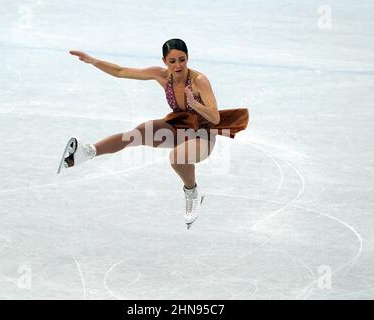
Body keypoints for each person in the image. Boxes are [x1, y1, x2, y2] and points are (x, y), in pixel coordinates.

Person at [57, 39, 249, 229]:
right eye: (172, 61)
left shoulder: (199, 81)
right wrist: (94, 61)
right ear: (164, 61)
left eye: (182, 60)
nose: (178, 65)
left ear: (188, 58)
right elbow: (120, 71)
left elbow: (215, 118)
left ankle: (192, 192)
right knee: (136, 133)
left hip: (203, 132)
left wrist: (196, 104)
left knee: (177, 157)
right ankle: (85, 153)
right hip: (179, 125)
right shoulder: (161, 75)